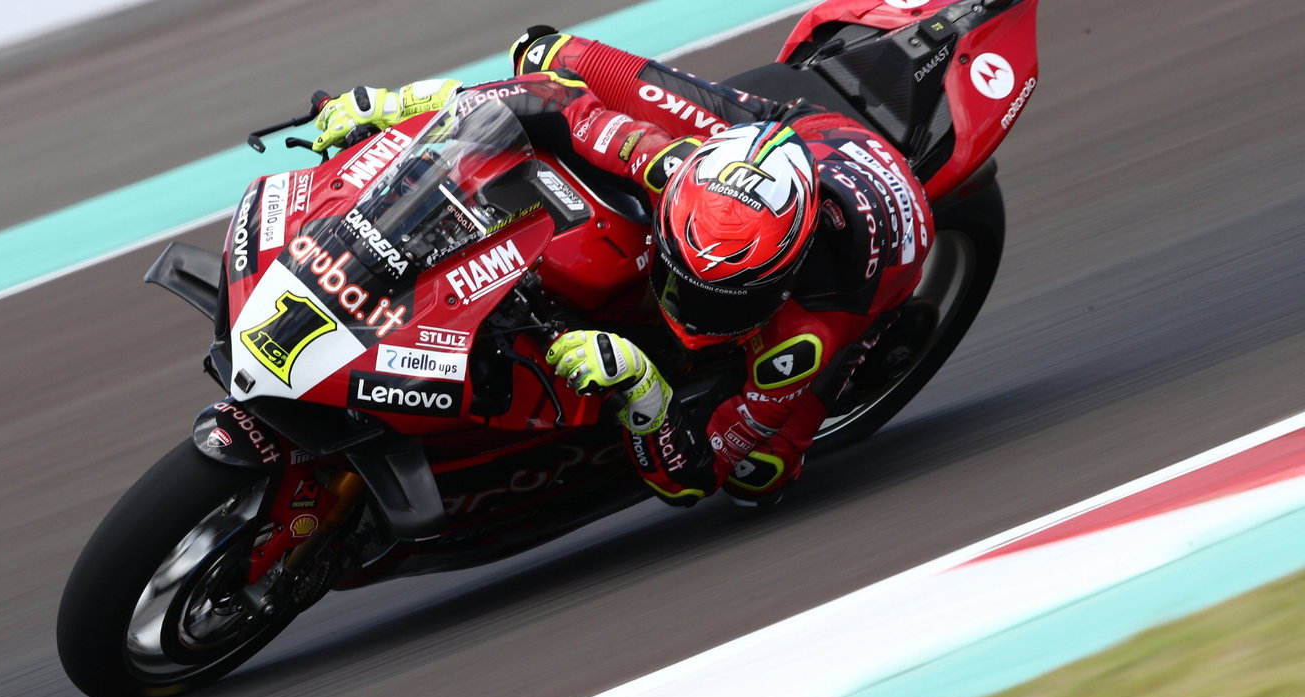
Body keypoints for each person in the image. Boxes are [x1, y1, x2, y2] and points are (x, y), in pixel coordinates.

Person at [310, 28, 933, 506]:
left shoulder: (806, 334)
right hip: (787, 136)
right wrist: (395, 103)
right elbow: (546, 100)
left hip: (878, 255)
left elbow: (696, 479)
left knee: (759, 477)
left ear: (780, 280)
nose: (693, 314)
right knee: (545, 53)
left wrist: (644, 387)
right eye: (686, 280)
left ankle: (862, 362)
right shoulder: (671, 163)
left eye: (725, 301)